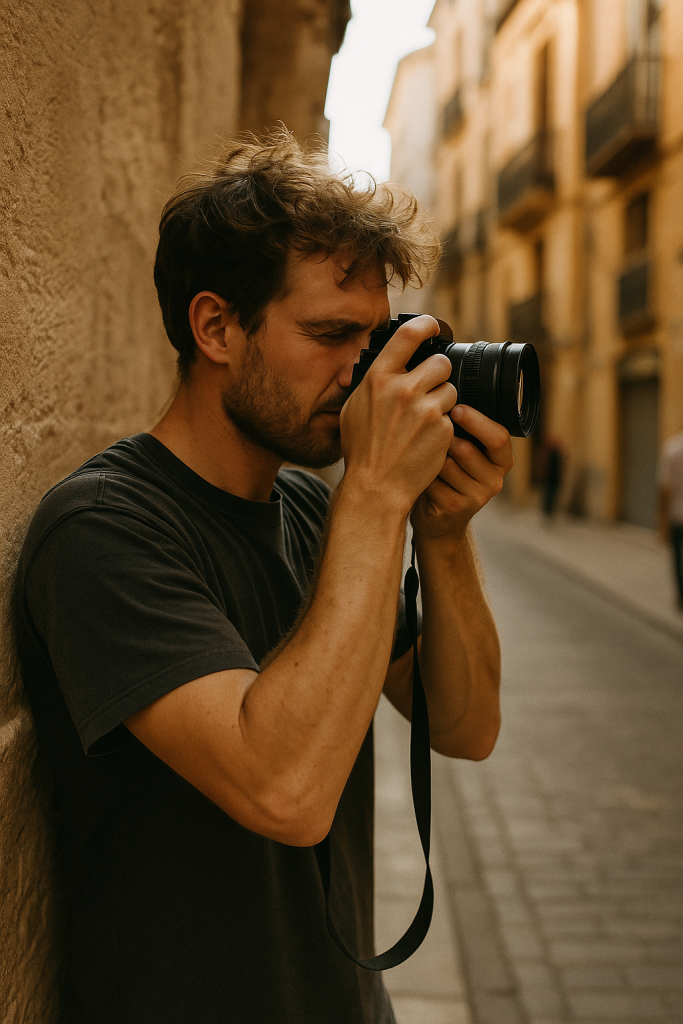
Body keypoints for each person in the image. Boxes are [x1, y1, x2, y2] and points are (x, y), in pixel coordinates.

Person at [16, 133, 513, 1024]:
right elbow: (282, 791)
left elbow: (467, 727)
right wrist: (371, 495)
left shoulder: (314, 512)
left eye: (377, 338)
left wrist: (441, 531)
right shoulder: (103, 527)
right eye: (331, 336)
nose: (363, 373)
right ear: (215, 327)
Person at [658, 429, 683, 609]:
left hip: (677, 515)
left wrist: (662, 521)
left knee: (677, 558)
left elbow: (664, 488)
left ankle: (681, 596)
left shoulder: (672, 448)